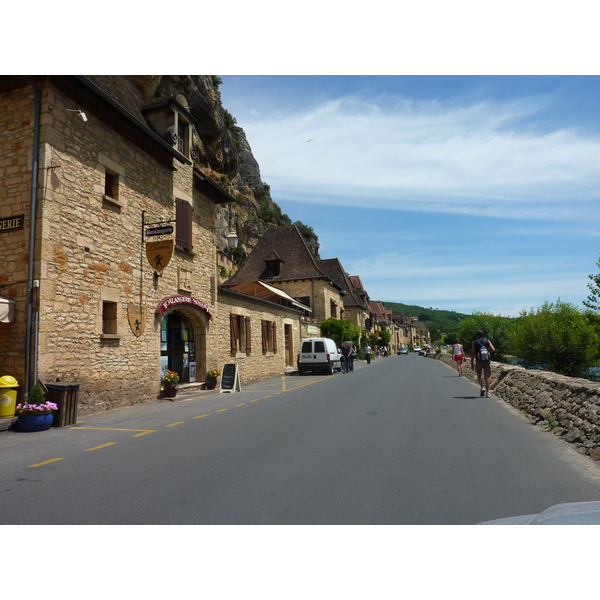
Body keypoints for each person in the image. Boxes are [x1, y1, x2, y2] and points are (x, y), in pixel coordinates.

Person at [471, 330, 496, 397]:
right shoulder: (487, 341)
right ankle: (488, 392)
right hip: (487, 360)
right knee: (487, 376)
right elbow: (493, 349)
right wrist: (488, 353)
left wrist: (472, 362)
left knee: (479, 375)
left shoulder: (474, 342)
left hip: (479, 360)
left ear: (477, 335)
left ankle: (482, 387)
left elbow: (473, 352)